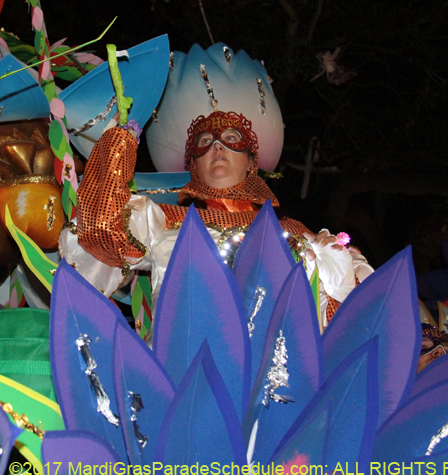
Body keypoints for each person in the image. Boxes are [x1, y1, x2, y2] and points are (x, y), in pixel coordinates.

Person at [60, 109, 373, 325]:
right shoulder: (163, 221)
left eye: (231, 138)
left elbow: (356, 317)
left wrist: (338, 270)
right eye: (205, 142)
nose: (218, 146)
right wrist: (117, 145)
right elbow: (99, 231)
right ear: (194, 166)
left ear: (251, 162)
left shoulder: (294, 232)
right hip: (187, 374)